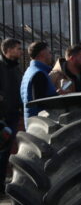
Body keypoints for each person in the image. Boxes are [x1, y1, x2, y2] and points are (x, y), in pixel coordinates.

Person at [1, 38, 24, 181]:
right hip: (2, 115)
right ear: (8, 50)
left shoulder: (16, 67)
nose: (21, 51)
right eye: (18, 48)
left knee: (7, 150)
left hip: (13, 114)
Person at [20, 41, 58, 123]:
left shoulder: (29, 71)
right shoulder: (39, 73)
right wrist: (58, 95)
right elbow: (40, 102)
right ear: (42, 53)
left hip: (33, 123)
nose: (51, 55)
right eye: (49, 52)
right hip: (41, 125)